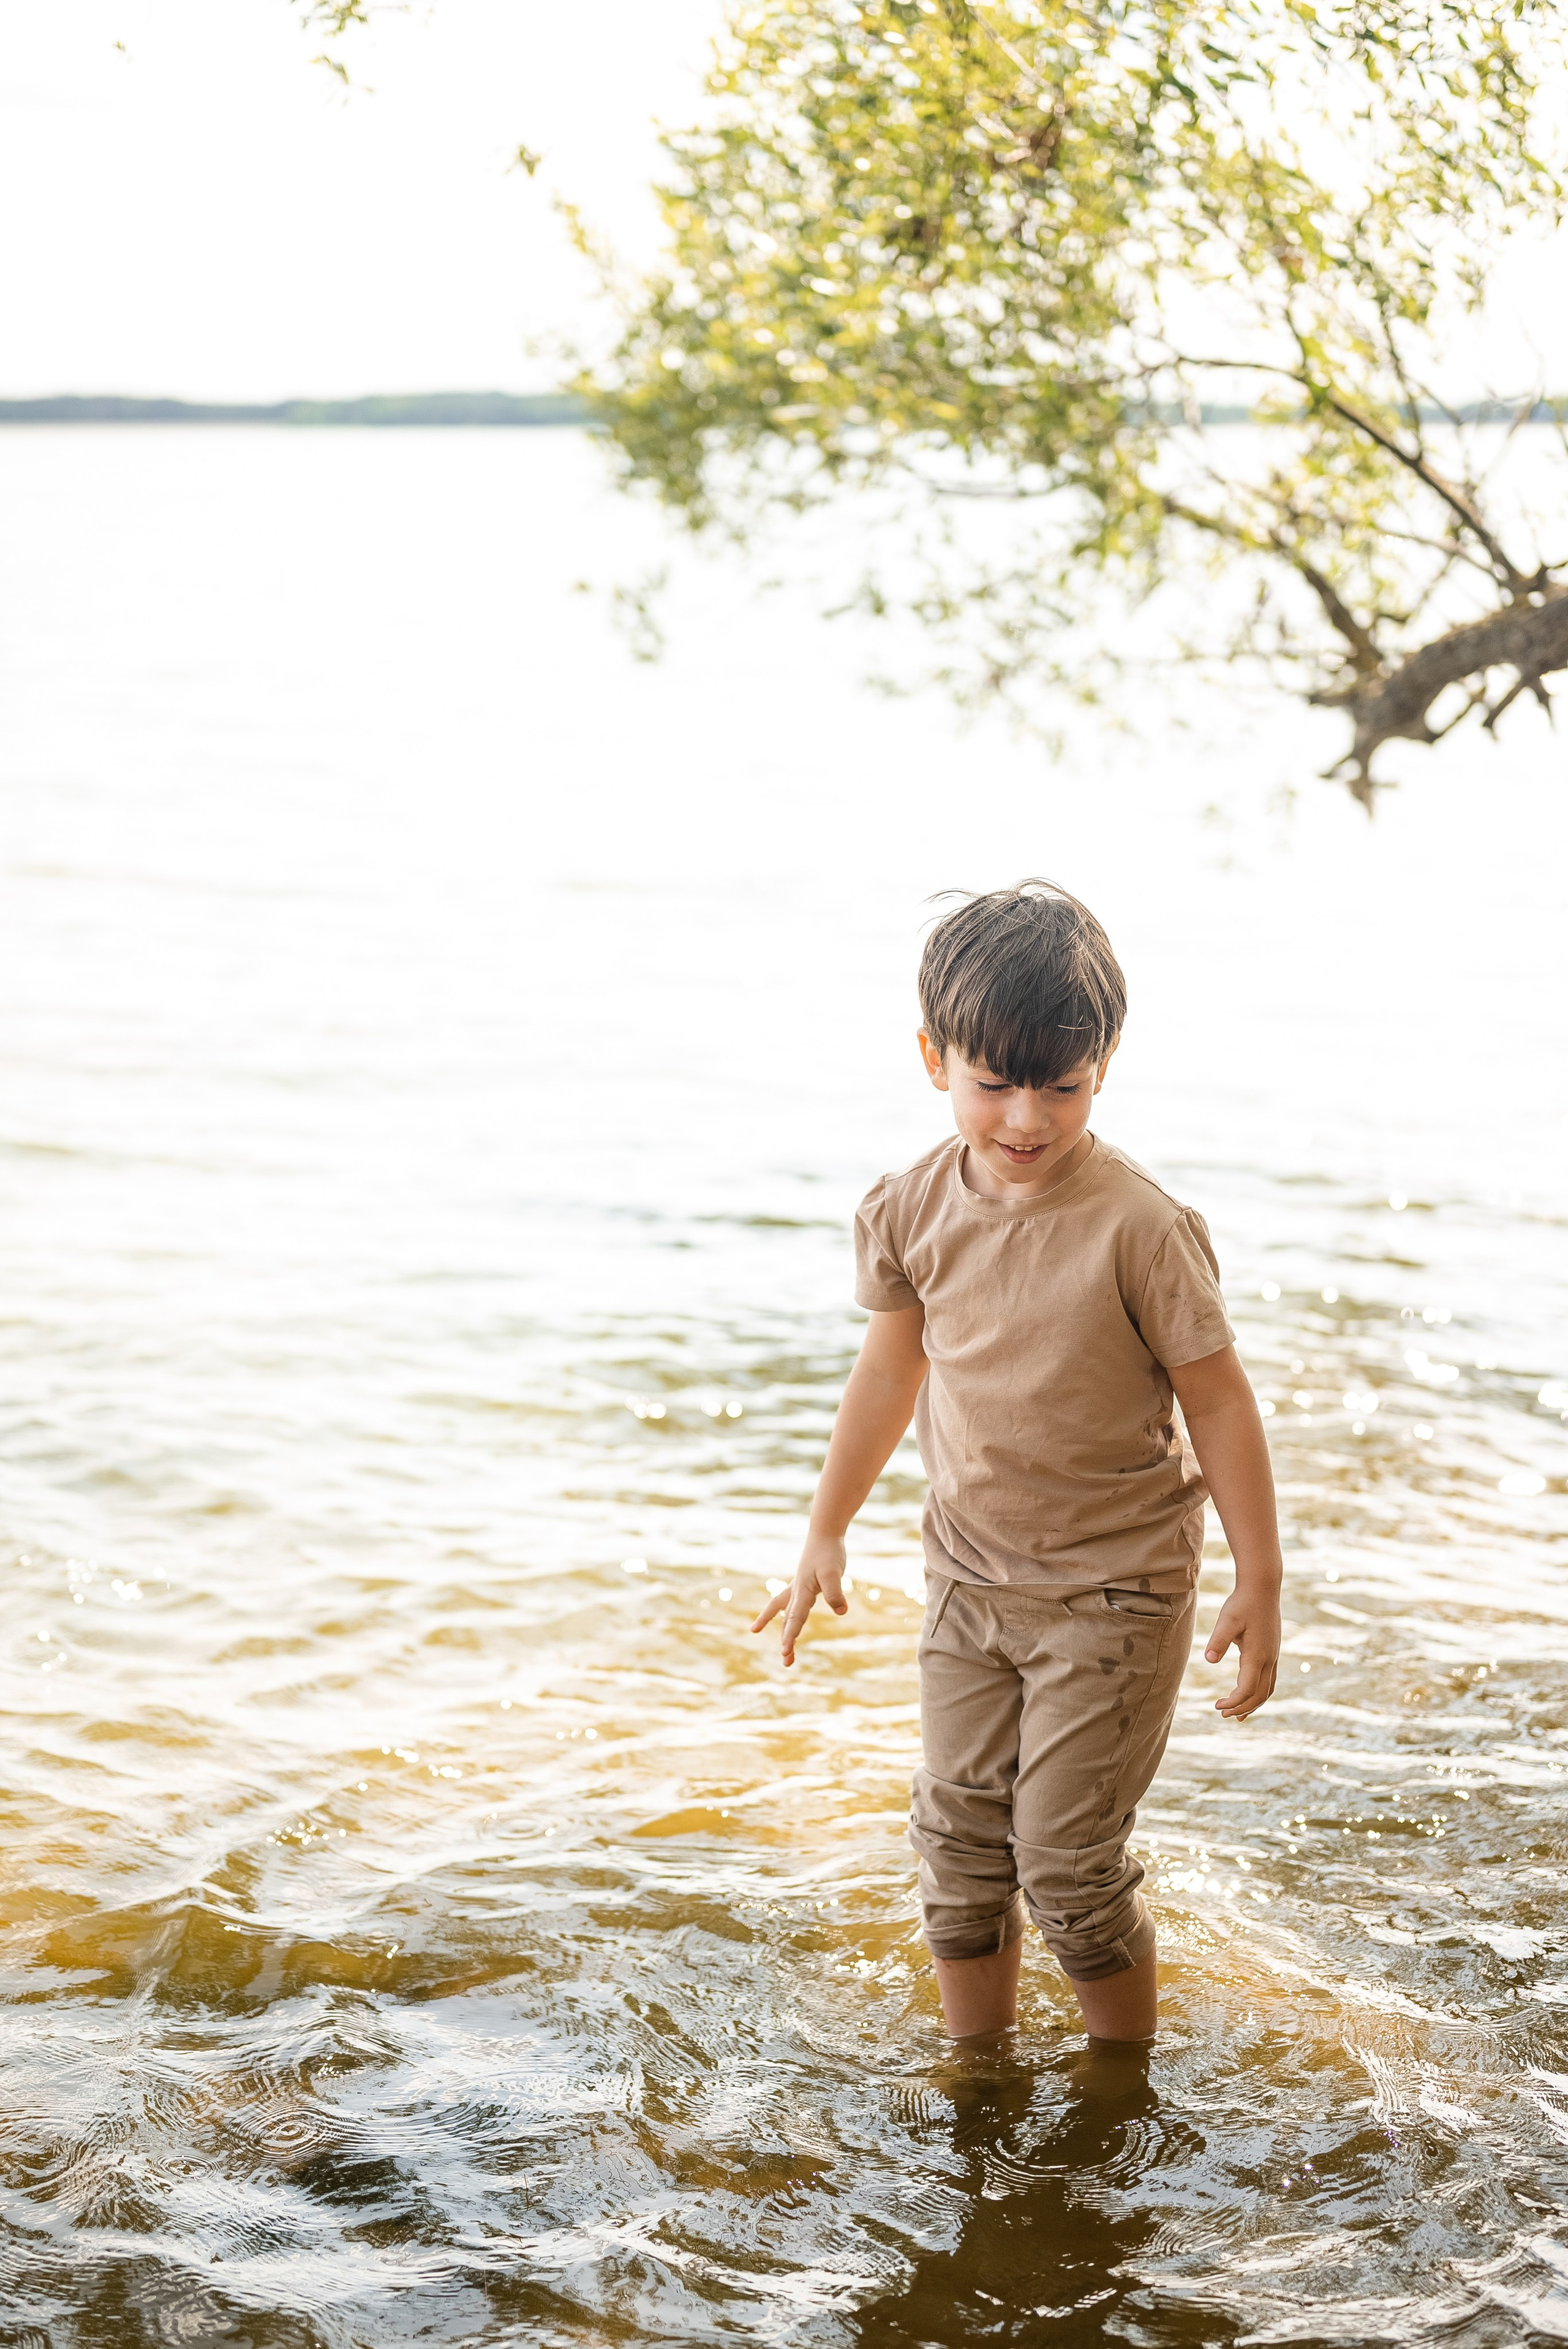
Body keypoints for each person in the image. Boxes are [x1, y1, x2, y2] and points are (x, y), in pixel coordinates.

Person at [753, 880, 1282, 2045]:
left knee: (1067, 1858)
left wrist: (1260, 1577)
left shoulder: (1141, 1227)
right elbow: (889, 1375)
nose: (1028, 1116)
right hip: (972, 1582)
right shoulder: (908, 1210)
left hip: (1117, 1588)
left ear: (1105, 1066)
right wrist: (825, 1528)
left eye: (1064, 1083)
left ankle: (1117, 2078)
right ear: (935, 1056)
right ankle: (976, 2070)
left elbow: (1220, 1399)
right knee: (955, 1840)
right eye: (995, 1083)